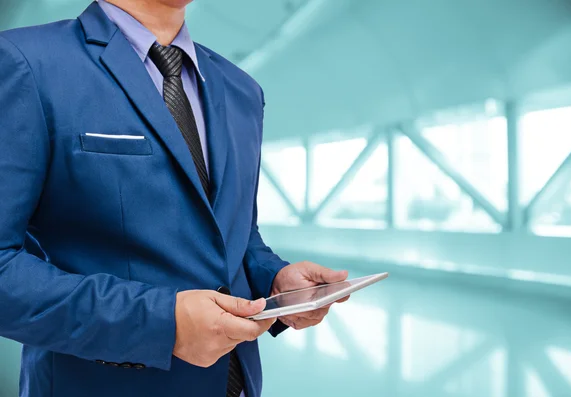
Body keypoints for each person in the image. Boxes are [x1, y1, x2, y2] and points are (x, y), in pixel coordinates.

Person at [0, 1, 348, 396]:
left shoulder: (242, 91)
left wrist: (274, 280)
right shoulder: (24, 62)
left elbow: (236, 237)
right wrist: (163, 323)